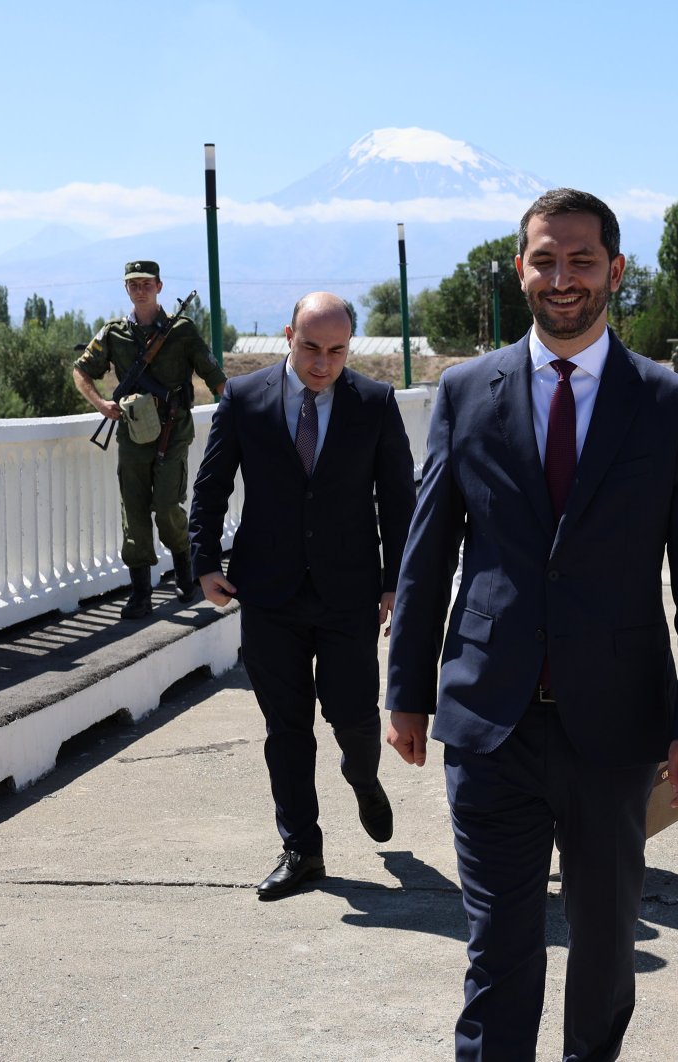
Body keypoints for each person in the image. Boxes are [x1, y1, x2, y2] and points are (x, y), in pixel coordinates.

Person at [383, 188, 678, 1061]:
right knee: (498, 949)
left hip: (616, 729)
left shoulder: (670, 405)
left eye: (581, 260)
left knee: (606, 943)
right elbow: (428, 555)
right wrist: (406, 691)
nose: (563, 276)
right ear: (520, 270)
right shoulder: (465, 392)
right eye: (546, 258)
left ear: (615, 271)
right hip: (487, 718)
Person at [189, 292, 416, 900]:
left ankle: (363, 776)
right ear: (288, 335)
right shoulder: (244, 397)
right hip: (268, 593)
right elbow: (211, 484)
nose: (323, 363)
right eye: (312, 348)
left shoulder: (373, 402)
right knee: (285, 727)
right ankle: (302, 849)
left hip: (349, 595)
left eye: (337, 351)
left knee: (354, 717)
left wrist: (398, 581)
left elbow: (399, 501)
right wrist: (205, 561)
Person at [72, 260, 226, 618]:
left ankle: (185, 571)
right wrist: (101, 404)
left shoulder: (182, 330)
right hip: (133, 433)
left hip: (173, 431)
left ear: (159, 286)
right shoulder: (114, 333)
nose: (140, 289)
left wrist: (242, 412)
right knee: (135, 511)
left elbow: (214, 376)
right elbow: (81, 370)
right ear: (127, 289)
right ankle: (141, 592)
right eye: (133, 284)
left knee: (168, 505)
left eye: (146, 283)